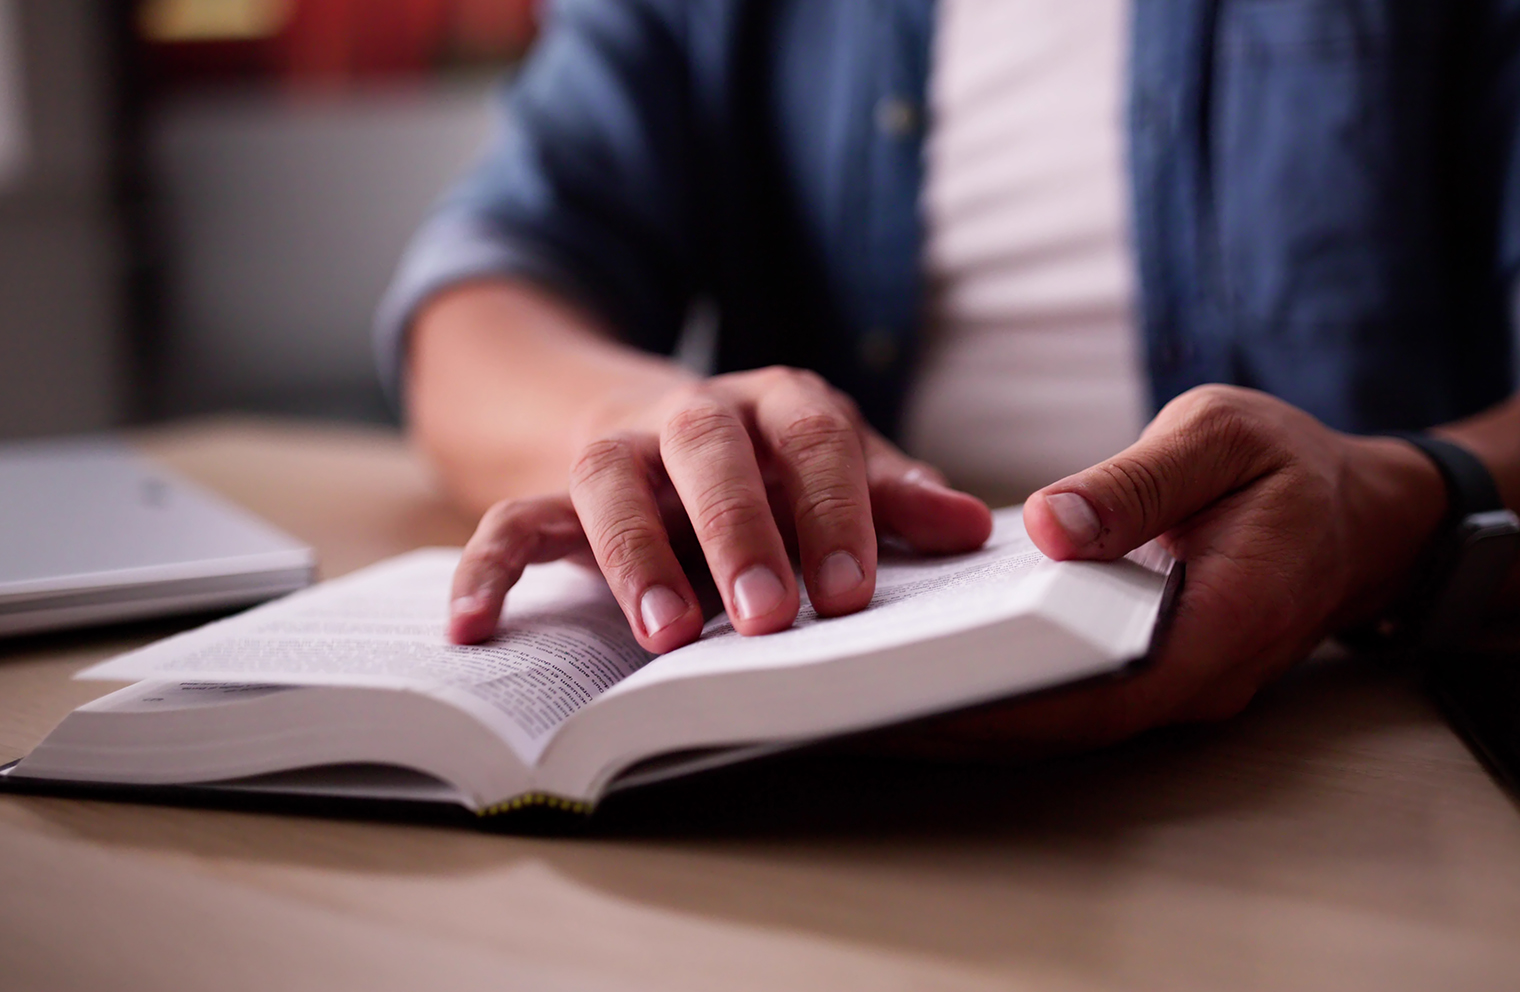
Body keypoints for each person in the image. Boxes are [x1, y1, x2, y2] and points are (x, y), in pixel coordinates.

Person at [375, 0, 1520, 750]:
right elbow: (479, 297)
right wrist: (648, 423)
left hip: (1364, 728)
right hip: (821, 739)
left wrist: (1390, 499)